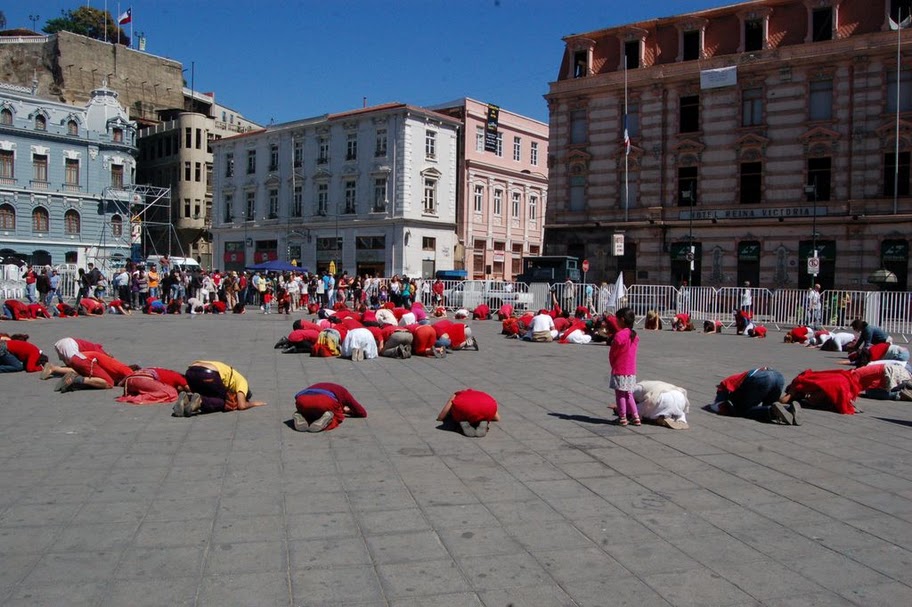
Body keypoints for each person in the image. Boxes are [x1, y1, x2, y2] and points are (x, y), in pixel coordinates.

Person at [173, 360, 267, 416]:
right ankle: (200, 401)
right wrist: (253, 403)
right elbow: (241, 405)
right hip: (207, 374)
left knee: (208, 395)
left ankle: (187, 398)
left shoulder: (232, 374)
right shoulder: (243, 383)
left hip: (190, 372)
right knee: (227, 403)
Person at [711, 368, 799, 424]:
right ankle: (789, 409)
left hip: (763, 377)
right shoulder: (737, 380)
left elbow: (717, 405)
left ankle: (773, 412)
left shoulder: (723, 385)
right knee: (767, 408)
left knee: (743, 411)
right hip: (778, 377)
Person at [609, 307, 640, 427]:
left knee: (620, 394)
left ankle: (622, 417)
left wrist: (613, 364)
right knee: (629, 394)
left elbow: (613, 352)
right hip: (631, 370)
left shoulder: (619, 335)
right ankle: (636, 416)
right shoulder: (634, 336)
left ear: (622, 320)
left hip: (620, 369)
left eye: (617, 319)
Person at [292, 382, 367, 432]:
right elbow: (362, 412)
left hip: (302, 399)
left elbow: (297, 396)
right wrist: (350, 411)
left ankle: (301, 415)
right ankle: (327, 422)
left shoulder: (317, 385)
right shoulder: (343, 391)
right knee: (337, 415)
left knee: (311, 410)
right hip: (325, 400)